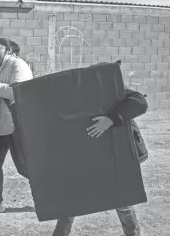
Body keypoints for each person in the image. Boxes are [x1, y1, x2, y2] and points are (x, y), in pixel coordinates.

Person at [53, 86, 148, 236]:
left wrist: (111, 119)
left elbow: (140, 103)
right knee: (72, 196)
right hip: (89, 151)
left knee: (122, 200)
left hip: (115, 153)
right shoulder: (77, 93)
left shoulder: (112, 87)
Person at [0, 38, 33, 214]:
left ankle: (47, 197)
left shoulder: (19, 65)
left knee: (25, 167)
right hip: (1, 124)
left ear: (9, 50)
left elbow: (18, 92)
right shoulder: (0, 68)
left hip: (18, 124)